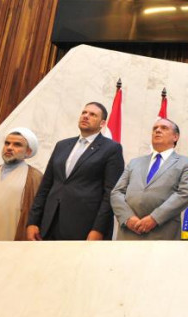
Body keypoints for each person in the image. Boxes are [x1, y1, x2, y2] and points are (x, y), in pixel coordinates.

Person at [26, 102, 124, 241]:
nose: (86, 116)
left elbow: (111, 193)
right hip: (49, 223)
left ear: (102, 123)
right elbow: (45, 186)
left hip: (83, 227)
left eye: (92, 114)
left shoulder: (111, 149)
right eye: (84, 113)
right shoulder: (62, 145)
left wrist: (98, 229)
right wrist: (33, 222)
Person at [110, 118, 188, 240]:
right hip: (129, 232)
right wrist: (127, 217)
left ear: (175, 137)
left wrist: (155, 218)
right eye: (155, 128)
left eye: (164, 128)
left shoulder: (186, 163)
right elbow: (117, 192)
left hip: (163, 232)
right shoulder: (135, 163)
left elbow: (184, 194)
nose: (158, 130)